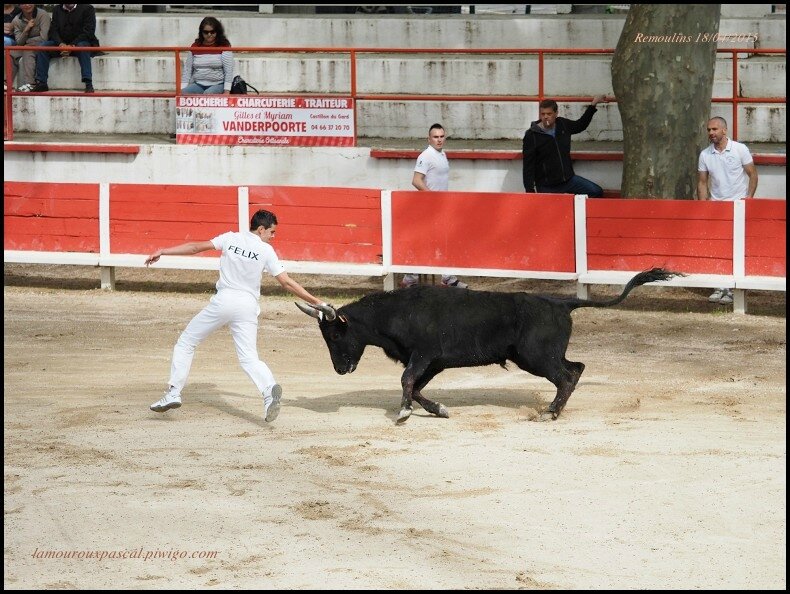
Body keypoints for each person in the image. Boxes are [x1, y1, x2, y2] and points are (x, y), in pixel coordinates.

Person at [145, 209, 332, 422]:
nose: (273, 236)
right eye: (272, 232)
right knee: (249, 358)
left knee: (186, 342)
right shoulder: (266, 250)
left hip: (224, 300)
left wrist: (163, 251)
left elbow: (196, 247)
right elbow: (286, 282)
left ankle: (173, 392)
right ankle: (269, 389)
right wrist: (317, 302)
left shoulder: (230, 238)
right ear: (261, 229)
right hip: (247, 305)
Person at [697, 116, 759, 305]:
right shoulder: (705, 154)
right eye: (709, 130)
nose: (711, 133)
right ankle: (719, 287)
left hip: (737, 206)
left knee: (737, 247)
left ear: (724, 130)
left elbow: (752, 174)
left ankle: (734, 289)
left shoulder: (740, 149)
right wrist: (704, 205)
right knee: (717, 246)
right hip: (716, 206)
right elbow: (702, 182)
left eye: (714, 129)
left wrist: (748, 198)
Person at [401, 123, 469, 289]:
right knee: (424, 241)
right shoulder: (426, 156)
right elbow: (416, 181)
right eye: (435, 137)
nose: (439, 140)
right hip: (429, 206)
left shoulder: (442, 154)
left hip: (441, 206)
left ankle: (447, 277)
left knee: (444, 240)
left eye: (441, 136)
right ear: (429, 139)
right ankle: (410, 279)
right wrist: (433, 198)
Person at [522, 96, 611, 197]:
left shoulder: (562, 124)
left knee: (596, 192)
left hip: (568, 180)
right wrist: (530, 191)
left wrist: (593, 104)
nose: (546, 117)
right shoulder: (531, 135)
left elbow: (580, 125)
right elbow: (528, 165)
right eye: (543, 114)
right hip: (547, 185)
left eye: (549, 114)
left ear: (556, 114)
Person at [28, 4, 99, 93]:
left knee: (83, 46)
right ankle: (42, 83)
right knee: (43, 47)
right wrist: (61, 44)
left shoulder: (88, 8)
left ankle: (88, 83)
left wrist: (72, 45)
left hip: (80, 43)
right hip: (62, 44)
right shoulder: (57, 9)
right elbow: (53, 30)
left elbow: (89, 31)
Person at [181, 16, 234, 95]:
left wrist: (227, 90)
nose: (209, 34)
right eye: (206, 32)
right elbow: (187, 70)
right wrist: (182, 89)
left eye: (212, 32)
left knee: (208, 94)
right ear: (201, 32)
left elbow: (228, 70)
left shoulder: (224, 46)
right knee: (183, 93)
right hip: (198, 84)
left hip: (218, 84)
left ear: (217, 32)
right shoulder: (195, 46)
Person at [11, 3, 51, 91]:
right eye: (23, 4)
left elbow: (44, 37)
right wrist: (26, 30)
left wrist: (28, 42)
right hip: (26, 46)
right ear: (19, 6)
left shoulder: (43, 15)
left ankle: (30, 84)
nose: (27, 5)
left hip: (43, 47)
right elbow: (19, 42)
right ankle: (7, 83)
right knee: (10, 52)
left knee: (28, 50)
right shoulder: (16, 20)